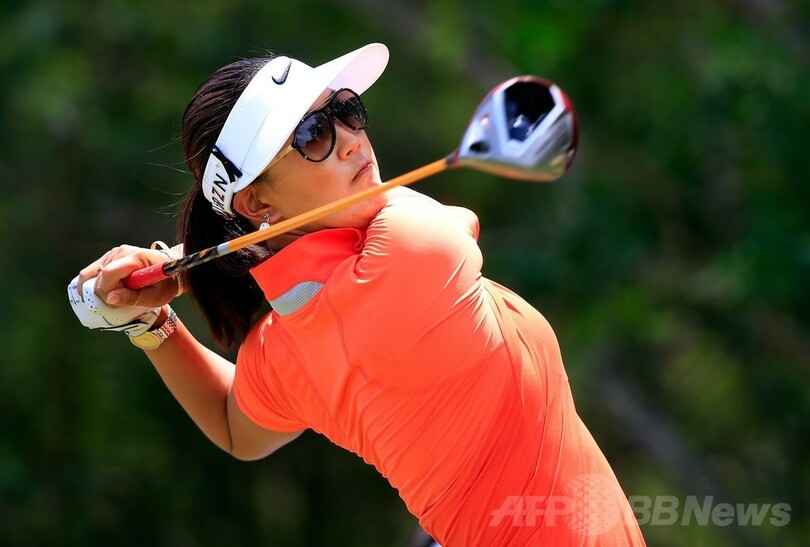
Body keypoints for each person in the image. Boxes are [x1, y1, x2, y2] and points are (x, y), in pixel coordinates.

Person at [68, 43, 646, 546]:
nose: (350, 140)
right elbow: (438, 225)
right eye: (312, 135)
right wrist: (191, 269)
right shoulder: (414, 253)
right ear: (256, 203)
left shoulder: (280, 350)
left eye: (345, 110)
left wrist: (153, 324)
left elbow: (233, 426)